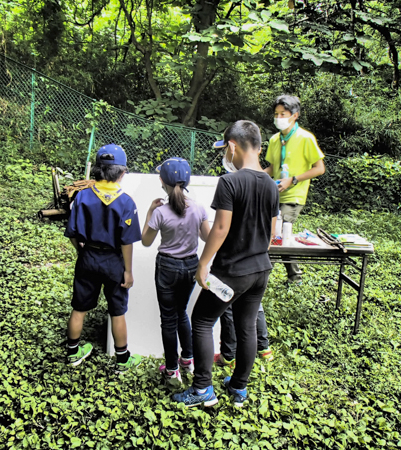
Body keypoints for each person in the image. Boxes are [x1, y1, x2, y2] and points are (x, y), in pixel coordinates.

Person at [173, 120, 279, 408]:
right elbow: (271, 234)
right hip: (260, 270)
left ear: (232, 146)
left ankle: (202, 389)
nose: (225, 155)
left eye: (225, 149)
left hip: (233, 271)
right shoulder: (271, 184)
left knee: (202, 320)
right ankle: (239, 388)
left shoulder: (230, 182)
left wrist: (203, 264)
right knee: (247, 326)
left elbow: (220, 228)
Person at [64, 144, 142, 371]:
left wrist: (82, 251)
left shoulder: (82, 197)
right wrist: (128, 270)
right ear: (122, 172)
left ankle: (72, 352)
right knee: (117, 311)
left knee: (79, 307)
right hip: (114, 261)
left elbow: (72, 233)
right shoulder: (126, 201)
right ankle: (122, 359)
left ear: (97, 170)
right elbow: (126, 241)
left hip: (88, 256)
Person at [141, 157, 211, 385]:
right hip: (191, 266)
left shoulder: (160, 212)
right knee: (182, 313)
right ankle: (187, 361)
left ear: (162, 181)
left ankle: (171, 371)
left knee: (168, 320)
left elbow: (146, 241)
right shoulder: (199, 207)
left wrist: (149, 212)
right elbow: (207, 237)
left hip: (167, 267)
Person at [264, 95, 325, 284]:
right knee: (280, 235)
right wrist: (252, 175)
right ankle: (294, 276)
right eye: (276, 114)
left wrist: (293, 180)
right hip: (274, 194)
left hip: (294, 195)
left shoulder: (306, 138)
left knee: (276, 233)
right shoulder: (274, 139)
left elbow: (319, 168)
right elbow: (272, 170)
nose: (279, 117)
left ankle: (262, 277)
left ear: (295, 115)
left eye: (283, 113)